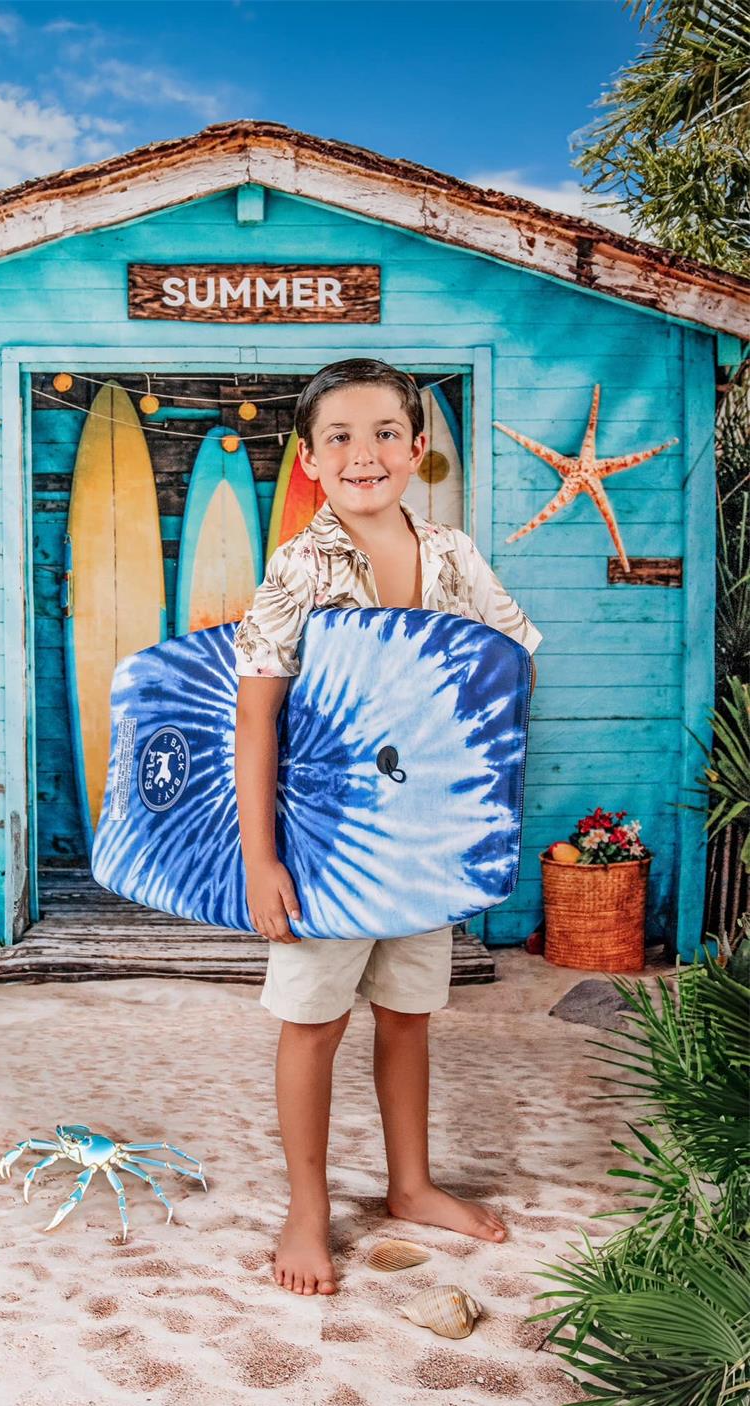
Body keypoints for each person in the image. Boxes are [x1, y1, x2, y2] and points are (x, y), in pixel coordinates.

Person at [233, 357, 542, 1297]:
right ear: (311, 462)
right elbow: (258, 711)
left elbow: (514, 656)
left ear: (417, 449)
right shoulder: (300, 563)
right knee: (315, 1020)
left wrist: (456, 757)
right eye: (339, 438)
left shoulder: (454, 554)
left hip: (422, 834)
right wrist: (261, 859)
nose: (363, 454)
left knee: (409, 1013)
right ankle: (305, 1207)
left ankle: (410, 1185)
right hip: (326, 838)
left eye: (382, 435)